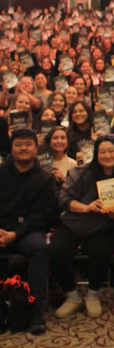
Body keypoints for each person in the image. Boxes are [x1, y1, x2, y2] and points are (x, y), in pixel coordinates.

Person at [49, 135, 114, 319]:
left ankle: (93, 294)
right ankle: (72, 296)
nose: (107, 155)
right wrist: (86, 207)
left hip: (104, 226)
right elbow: (64, 200)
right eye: (102, 152)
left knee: (100, 249)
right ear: (96, 154)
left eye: (112, 151)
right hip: (74, 222)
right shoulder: (81, 172)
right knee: (56, 251)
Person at [0, 128, 58, 334]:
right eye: (18, 144)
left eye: (28, 144)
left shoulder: (44, 179)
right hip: (1, 229)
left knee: (39, 248)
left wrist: (15, 234)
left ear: (36, 148)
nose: (23, 148)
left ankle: (36, 311)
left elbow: (41, 216)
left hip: (27, 232)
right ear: (11, 148)